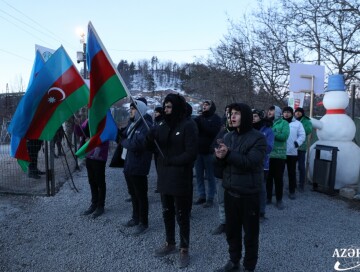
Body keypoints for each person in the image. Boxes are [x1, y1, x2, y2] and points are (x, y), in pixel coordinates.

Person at [146, 93, 198, 269]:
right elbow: (153, 147)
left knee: (182, 215)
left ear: (176, 107)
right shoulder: (161, 124)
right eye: (165, 106)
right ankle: (170, 243)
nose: (165, 110)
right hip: (164, 176)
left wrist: (173, 161)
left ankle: (184, 248)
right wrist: (149, 138)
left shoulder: (188, 125)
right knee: (166, 211)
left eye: (169, 107)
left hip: (181, 177)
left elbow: (191, 153)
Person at [214, 103, 266, 272]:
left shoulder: (258, 138)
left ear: (245, 116)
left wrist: (228, 154)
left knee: (250, 235)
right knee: (231, 232)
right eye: (230, 114)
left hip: (249, 194)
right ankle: (233, 260)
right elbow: (221, 168)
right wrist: (220, 158)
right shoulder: (228, 137)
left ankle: (249, 267)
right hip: (230, 192)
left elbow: (250, 163)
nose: (232, 117)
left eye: (236, 113)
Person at [121, 100, 153, 236]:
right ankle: (135, 217)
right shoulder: (132, 123)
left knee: (141, 195)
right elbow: (125, 137)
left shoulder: (146, 125)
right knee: (133, 193)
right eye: (130, 109)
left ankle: (143, 222)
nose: (131, 111)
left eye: (133, 109)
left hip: (139, 164)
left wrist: (123, 142)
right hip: (129, 163)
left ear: (140, 109)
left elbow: (136, 144)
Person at [211, 104, 234, 235]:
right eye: (227, 113)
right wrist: (217, 154)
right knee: (221, 200)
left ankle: (236, 224)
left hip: (236, 174)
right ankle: (223, 222)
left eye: (233, 114)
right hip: (221, 173)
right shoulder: (222, 132)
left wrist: (229, 153)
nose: (230, 117)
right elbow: (212, 148)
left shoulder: (245, 135)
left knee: (236, 201)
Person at [194, 100, 221, 207]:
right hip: (198, 152)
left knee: (210, 176)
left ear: (212, 107)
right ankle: (201, 196)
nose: (204, 106)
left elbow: (213, 132)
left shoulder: (216, 118)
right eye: (203, 104)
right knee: (199, 176)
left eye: (207, 105)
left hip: (210, 152)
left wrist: (202, 123)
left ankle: (210, 198)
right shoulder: (199, 118)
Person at [80, 119, 110, 219]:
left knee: (100, 181)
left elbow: (105, 136)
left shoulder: (104, 119)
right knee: (92, 180)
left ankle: (101, 206)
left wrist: (91, 141)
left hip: (99, 156)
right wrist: (76, 124)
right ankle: (94, 203)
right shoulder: (88, 118)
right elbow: (80, 132)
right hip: (89, 155)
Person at [252, 109, 274, 221]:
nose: (253, 118)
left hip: (262, 163)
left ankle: (261, 212)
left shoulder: (268, 130)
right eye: (251, 116)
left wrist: (255, 151)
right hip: (249, 162)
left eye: (255, 116)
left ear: (260, 117)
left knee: (261, 188)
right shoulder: (248, 129)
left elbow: (269, 147)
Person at [266, 105, 290, 210]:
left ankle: (279, 200)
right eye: (269, 110)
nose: (269, 112)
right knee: (268, 178)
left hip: (279, 155)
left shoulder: (284, 123)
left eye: (272, 110)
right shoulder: (267, 123)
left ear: (277, 112)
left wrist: (272, 133)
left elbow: (284, 136)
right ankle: (268, 198)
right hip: (267, 155)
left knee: (278, 178)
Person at [283, 106, 305, 200]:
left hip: (292, 152)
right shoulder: (280, 122)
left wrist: (297, 143)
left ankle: (292, 191)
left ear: (292, 113)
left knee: (291, 172)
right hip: (280, 152)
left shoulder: (297, 123)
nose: (286, 114)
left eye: (288, 112)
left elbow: (302, 135)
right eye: (284, 112)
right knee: (278, 173)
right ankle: (277, 190)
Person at [294, 107, 313, 192]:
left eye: (299, 112)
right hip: (292, 147)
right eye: (296, 112)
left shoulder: (306, 121)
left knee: (301, 166)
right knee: (292, 166)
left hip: (301, 147)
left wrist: (298, 130)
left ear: (302, 113)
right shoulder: (293, 120)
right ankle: (293, 183)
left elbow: (308, 130)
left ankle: (301, 184)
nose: (297, 113)